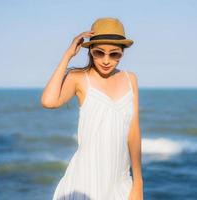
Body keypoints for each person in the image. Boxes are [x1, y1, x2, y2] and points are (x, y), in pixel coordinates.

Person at [41, 17, 143, 200]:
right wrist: (68, 55)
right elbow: (49, 101)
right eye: (99, 53)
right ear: (90, 52)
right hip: (86, 181)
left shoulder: (130, 79)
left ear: (122, 53)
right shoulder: (79, 78)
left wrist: (138, 183)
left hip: (119, 181)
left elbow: (133, 133)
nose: (106, 60)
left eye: (114, 54)